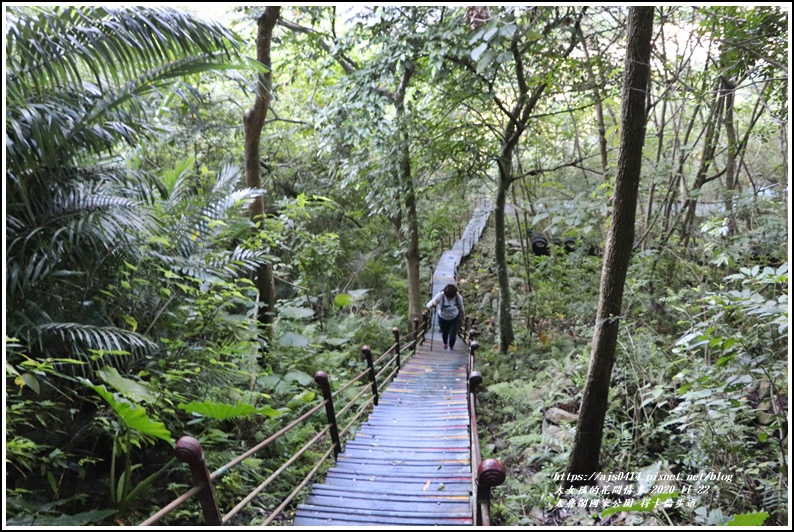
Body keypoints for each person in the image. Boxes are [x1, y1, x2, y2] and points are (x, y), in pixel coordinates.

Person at [426, 283, 464, 351]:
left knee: (453, 334)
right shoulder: (440, 295)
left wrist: (462, 314)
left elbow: (461, 307)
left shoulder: (458, 297)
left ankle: (451, 347)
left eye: (451, 297)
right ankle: (445, 343)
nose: (449, 298)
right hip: (442, 317)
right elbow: (428, 305)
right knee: (444, 332)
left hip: (454, 317)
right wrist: (433, 304)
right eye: (448, 297)